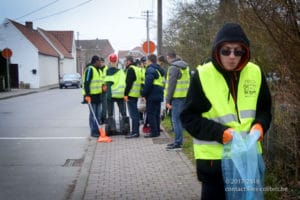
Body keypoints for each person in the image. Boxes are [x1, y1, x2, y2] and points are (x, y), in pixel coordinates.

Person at [180, 23, 272, 199]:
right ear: (217, 50)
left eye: (238, 51)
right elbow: (188, 117)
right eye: (226, 51)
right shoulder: (203, 75)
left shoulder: (256, 72)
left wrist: (261, 125)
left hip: (248, 161)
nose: (232, 56)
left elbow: (265, 109)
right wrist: (220, 133)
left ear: (245, 52)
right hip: (214, 164)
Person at [165, 50, 190, 150]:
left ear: (168, 57)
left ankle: (178, 143)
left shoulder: (173, 68)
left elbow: (171, 85)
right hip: (184, 96)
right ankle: (178, 141)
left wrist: (167, 100)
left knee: (176, 120)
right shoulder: (185, 66)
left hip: (176, 98)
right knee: (179, 120)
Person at [141, 54, 165, 138]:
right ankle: (157, 131)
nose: (145, 62)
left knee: (151, 114)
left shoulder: (150, 69)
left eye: (146, 60)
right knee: (156, 114)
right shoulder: (158, 69)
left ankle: (154, 133)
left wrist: (144, 94)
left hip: (152, 94)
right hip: (158, 93)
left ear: (149, 60)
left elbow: (148, 83)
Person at [82, 55, 105, 137]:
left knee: (98, 115)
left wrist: (103, 87)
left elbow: (100, 82)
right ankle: (93, 131)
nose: (101, 63)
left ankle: (98, 130)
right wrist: (87, 95)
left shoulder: (99, 70)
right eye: (99, 61)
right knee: (93, 115)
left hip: (98, 96)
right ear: (95, 61)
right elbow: (86, 82)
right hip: (91, 96)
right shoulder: (90, 70)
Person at [105, 53, 127, 134]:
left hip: (111, 94)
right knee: (123, 111)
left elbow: (108, 83)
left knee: (110, 113)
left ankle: (111, 127)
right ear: (117, 61)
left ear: (109, 61)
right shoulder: (121, 72)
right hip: (120, 94)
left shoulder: (108, 71)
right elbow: (125, 82)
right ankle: (124, 125)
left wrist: (108, 94)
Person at [124, 55, 142, 138]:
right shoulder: (137, 69)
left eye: (125, 61)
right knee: (135, 114)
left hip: (131, 94)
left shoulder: (131, 69)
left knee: (133, 115)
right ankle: (135, 131)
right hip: (136, 94)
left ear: (129, 61)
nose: (124, 63)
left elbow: (129, 83)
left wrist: (125, 94)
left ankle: (135, 132)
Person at [99, 57, 108, 124]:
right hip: (98, 90)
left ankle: (104, 118)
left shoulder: (106, 69)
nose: (101, 63)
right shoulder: (97, 69)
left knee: (104, 106)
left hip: (104, 89)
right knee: (98, 105)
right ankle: (99, 118)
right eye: (100, 62)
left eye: (102, 62)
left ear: (104, 62)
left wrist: (105, 85)